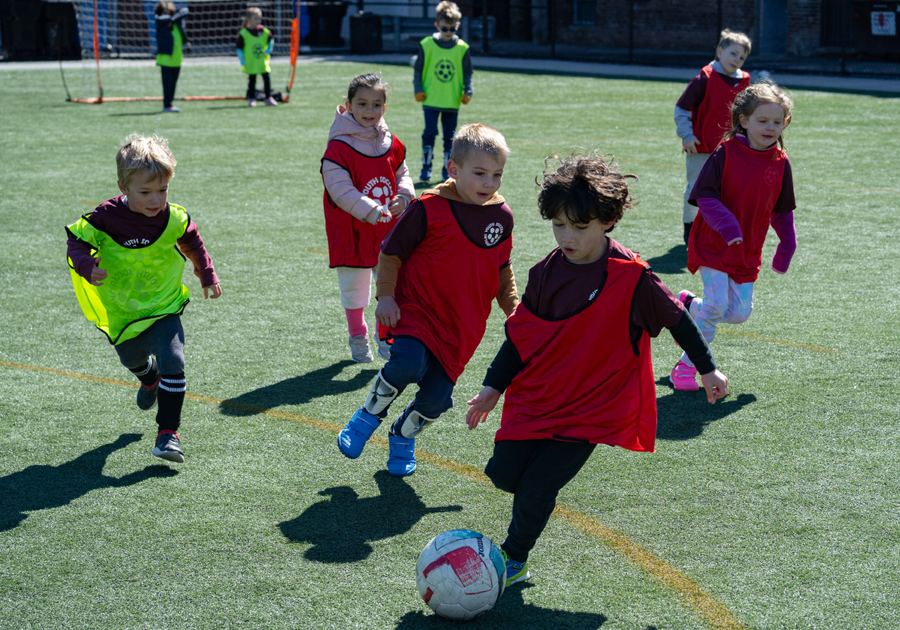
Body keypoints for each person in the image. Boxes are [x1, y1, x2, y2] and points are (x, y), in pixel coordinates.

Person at [465, 152, 729, 586]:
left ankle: (514, 557)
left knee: (536, 487)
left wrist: (707, 370)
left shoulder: (633, 277)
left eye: (579, 226)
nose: (566, 235)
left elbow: (679, 319)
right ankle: (527, 514)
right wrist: (494, 386)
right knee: (505, 474)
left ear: (607, 220)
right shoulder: (545, 273)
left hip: (593, 408)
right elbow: (521, 336)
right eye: (558, 225)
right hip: (541, 394)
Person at [337, 123, 519, 477]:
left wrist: (514, 310)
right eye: (480, 173)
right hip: (416, 312)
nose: (489, 183)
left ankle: (403, 436)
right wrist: (386, 297)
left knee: (437, 400)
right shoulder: (428, 208)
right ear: (453, 169)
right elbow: (390, 253)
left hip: (463, 328)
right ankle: (368, 414)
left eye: (497, 175)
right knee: (406, 365)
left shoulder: (502, 217)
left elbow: (502, 269)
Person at [65, 135, 222, 463]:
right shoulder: (106, 217)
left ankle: (168, 434)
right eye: (145, 192)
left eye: (163, 190)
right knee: (131, 359)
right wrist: (84, 265)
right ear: (123, 186)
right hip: (123, 310)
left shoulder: (174, 217)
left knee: (174, 360)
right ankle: (148, 377)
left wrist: (206, 272)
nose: (156, 200)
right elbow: (77, 241)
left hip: (164, 305)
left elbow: (193, 242)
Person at [671, 81, 796, 391]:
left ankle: (688, 306)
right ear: (744, 121)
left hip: (746, 250)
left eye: (777, 122)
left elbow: (781, 209)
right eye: (762, 120)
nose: (770, 127)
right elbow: (705, 197)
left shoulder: (780, 162)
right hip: (714, 242)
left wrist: (787, 243)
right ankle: (686, 368)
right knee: (715, 304)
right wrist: (728, 226)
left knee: (739, 313)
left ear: (785, 123)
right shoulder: (725, 152)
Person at [322, 73, 416, 363]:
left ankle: (385, 336)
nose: (369, 111)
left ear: (384, 109)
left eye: (376, 104)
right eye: (362, 103)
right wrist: (370, 209)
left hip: (387, 230)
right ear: (348, 105)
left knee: (389, 285)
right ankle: (357, 335)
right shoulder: (338, 147)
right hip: (351, 230)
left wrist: (404, 195)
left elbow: (402, 172)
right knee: (354, 288)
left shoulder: (391, 142)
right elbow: (339, 189)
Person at [675, 29, 751, 244]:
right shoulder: (704, 77)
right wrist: (687, 136)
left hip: (731, 149)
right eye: (733, 53)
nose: (737, 59)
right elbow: (681, 109)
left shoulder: (745, 81)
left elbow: (747, 116)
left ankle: (718, 230)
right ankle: (689, 232)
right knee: (695, 191)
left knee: (726, 192)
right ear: (720, 51)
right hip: (701, 147)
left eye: (742, 57)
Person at [413, 1, 473, 182]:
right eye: (445, 28)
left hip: (451, 101)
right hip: (430, 99)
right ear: (437, 25)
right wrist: (418, 89)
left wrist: (468, 90)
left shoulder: (462, 48)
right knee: (429, 133)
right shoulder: (427, 44)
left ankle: (448, 171)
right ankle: (426, 168)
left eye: (452, 29)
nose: (448, 32)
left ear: (458, 26)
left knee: (450, 138)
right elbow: (418, 69)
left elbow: (467, 72)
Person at [236, 7, 276, 107]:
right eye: (256, 19)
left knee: (266, 78)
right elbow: (239, 48)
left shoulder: (263, 31)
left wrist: (268, 50)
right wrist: (242, 60)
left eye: (259, 18)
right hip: (251, 61)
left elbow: (271, 40)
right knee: (252, 80)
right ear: (249, 19)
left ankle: (268, 97)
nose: (258, 21)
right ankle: (252, 98)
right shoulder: (244, 33)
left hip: (262, 61)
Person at [154, 1, 189, 113]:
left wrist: (173, 19)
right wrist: (171, 19)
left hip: (177, 59)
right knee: (167, 84)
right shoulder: (160, 23)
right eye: (164, 12)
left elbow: (185, 11)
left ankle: (170, 103)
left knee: (173, 84)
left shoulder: (176, 22)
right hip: (166, 60)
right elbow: (161, 19)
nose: (166, 15)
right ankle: (167, 105)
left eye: (168, 12)